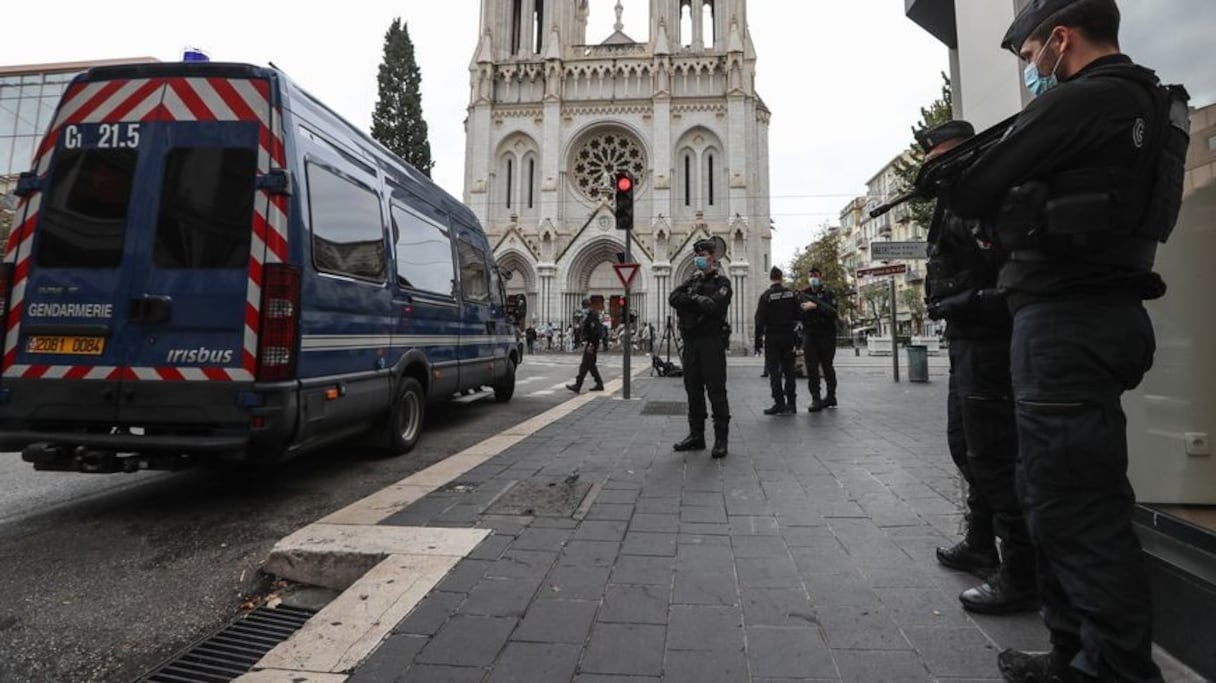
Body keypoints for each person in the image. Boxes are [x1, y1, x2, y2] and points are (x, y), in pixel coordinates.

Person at [947, 1, 1189, 680]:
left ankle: (1110, 666)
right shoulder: (1152, 101)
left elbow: (972, 188)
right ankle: (1073, 651)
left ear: (1060, 40)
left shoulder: (1085, 100)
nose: (1029, 72)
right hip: (1108, 310)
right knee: (1069, 494)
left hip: (1067, 321)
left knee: (1073, 506)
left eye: (1028, 58)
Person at [919, 121, 1037, 617]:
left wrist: (968, 300)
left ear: (954, 153)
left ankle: (1020, 571)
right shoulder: (956, 200)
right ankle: (980, 542)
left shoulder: (982, 200)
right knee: (966, 445)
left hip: (989, 344)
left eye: (934, 155)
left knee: (991, 453)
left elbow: (1009, 276)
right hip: (967, 340)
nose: (927, 164)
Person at [669, 239, 733, 458]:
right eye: (696, 253)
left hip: (711, 342)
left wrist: (692, 300)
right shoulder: (691, 281)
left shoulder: (722, 282)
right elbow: (673, 298)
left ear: (713, 256)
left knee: (716, 391)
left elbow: (715, 306)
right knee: (693, 390)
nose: (699, 257)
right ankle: (696, 436)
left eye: (703, 253)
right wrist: (698, 300)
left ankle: (721, 440)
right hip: (691, 343)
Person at [754, 266, 801, 416]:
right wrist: (798, 340)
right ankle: (792, 404)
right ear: (781, 277)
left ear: (771, 278)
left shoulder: (766, 296)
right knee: (789, 372)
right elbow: (799, 316)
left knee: (774, 372)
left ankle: (779, 403)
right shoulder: (791, 294)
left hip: (772, 338)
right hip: (788, 336)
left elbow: (759, 320)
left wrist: (757, 342)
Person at [799, 266, 839, 412]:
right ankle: (815, 398)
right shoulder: (804, 294)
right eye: (811, 275)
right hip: (810, 335)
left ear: (820, 277)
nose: (813, 278)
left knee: (827, 366)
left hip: (827, 335)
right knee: (812, 368)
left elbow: (833, 312)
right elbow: (798, 314)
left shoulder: (828, 293)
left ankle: (830, 396)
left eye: (815, 275)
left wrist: (815, 307)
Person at [566, 298, 605, 393]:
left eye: (585, 306)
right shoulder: (589, 315)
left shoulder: (593, 316)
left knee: (584, 364)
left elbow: (594, 331)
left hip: (592, 343)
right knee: (591, 365)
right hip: (591, 343)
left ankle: (578, 385)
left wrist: (591, 344)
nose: (584, 308)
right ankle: (599, 383)